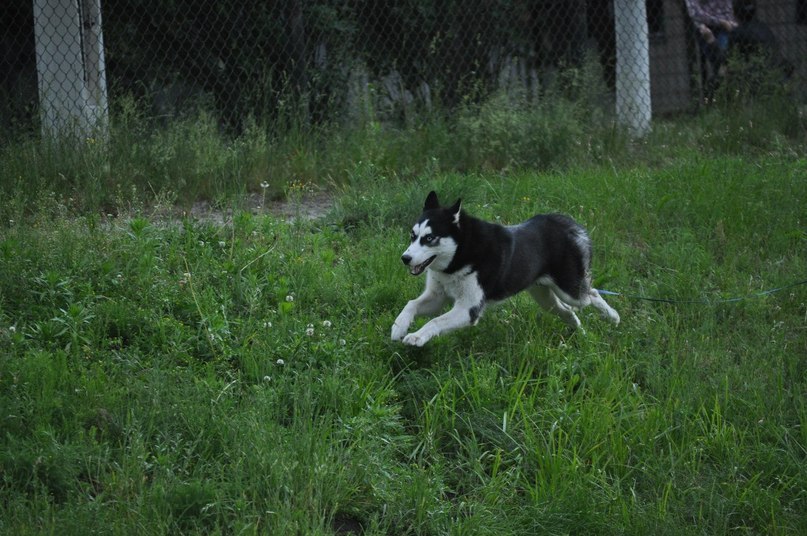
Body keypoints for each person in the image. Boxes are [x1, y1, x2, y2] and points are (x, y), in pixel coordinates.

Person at [684, 0, 738, 88]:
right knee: (719, 63)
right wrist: (721, 22)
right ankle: (720, 89)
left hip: (725, 26)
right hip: (705, 27)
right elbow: (696, 14)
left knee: (728, 62)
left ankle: (727, 86)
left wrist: (730, 23)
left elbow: (728, 9)